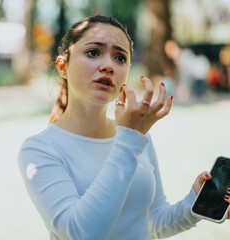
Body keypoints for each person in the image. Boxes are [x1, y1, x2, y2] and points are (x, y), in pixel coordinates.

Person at [18, 15, 230, 240]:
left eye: (120, 57)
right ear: (63, 66)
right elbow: (81, 233)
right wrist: (130, 138)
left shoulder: (137, 136)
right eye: (93, 52)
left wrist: (192, 204)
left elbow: (152, 223)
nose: (108, 66)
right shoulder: (39, 149)